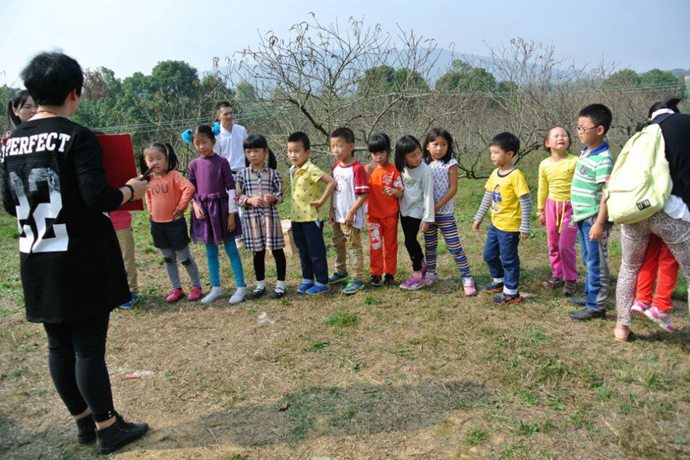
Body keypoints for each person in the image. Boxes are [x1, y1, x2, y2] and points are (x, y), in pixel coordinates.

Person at [0, 52, 148, 454]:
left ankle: (84, 423)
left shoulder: (10, 142)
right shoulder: (77, 137)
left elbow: (10, 204)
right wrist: (131, 190)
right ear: (73, 93)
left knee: (58, 346)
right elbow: (97, 196)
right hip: (79, 257)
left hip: (37, 255)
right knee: (87, 349)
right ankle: (108, 428)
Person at [615, 97, 690, 341]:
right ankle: (660, 305)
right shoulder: (684, 124)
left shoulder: (640, 133)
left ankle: (622, 328)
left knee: (629, 268)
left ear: (651, 116)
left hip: (637, 209)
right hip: (673, 211)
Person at [188, 124, 247, 304]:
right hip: (205, 214)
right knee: (210, 252)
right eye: (197, 143)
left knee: (231, 250)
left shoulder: (222, 162)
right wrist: (195, 205)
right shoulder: (194, 165)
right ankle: (215, 288)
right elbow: (191, 189)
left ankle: (241, 287)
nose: (201, 146)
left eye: (204, 142)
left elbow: (231, 188)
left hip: (222, 212)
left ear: (213, 141)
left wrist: (231, 214)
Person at [472, 132, 532, 304]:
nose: (492, 156)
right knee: (489, 255)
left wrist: (525, 226)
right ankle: (499, 280)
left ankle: (511, 292)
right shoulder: (495, 173)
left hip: (510, 227)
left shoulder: (516, 175)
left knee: (508, 259)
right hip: (495, 225)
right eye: (491, 152)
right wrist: (478, 218)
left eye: (496, 152)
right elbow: (487, 197)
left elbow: (526, 201)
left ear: (510, 154)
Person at [568, 104, 614, 321]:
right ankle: (589, 294)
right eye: (578, 127)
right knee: (588, 258)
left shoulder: (604, 159)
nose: (579, 132)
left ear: (600, 129)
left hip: (594, 218)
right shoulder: (585, 152)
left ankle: (596, 306)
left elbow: (607, 193)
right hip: (582, 216)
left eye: (583, 128)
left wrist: (599, 223)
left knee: (597, 262)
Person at [140, 143, 201, 302]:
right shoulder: (148, 180)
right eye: (150, 159)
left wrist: (180, 208)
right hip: (158, 225)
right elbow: (148, 196)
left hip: (175, 224)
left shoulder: (174, 175)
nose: (155, 162)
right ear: (145, 161)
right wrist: (151, 211)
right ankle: (176, 288)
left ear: (166, 159)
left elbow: (189, 188)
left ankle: (196, 287)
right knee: (168, 258)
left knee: (184, 258)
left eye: (159, 158)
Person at [422, 128, 476, 295]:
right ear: (427, 146)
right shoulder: (423, 164)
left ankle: (467, 277)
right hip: (428, 215)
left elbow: (453, 188)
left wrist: (438, 205)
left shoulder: (451, 163)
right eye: (435, 144)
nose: (439, 148)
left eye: (444, 144)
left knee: (454, 246)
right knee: (430, 245)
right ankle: (431, 273)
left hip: (445, 213)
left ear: (449, 146)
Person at [236, 134, 287, 298]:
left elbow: (281, 195)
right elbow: (237, 197)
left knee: (277, 251)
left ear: (265, 152)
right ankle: (260, 285)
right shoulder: (242, 175)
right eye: (248, 151)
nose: (252, 155)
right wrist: (248, 200)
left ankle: (281, 285)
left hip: (270, 218)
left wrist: (274, 198)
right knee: (258, 253)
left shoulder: (273, 174)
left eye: (256, 151)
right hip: (252, 220)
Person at [287, 131, 336, 295]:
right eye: (290, 151)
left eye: (297, 151)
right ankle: (307, 279)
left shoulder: (311, 169)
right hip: (296, 218)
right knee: (303, 251)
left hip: (310, 218)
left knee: (316, 252)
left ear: (307, 152)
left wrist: (321, 201)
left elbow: (331, 182)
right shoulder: (293, 169)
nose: (292, 155)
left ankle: (322, 282)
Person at [537, 126, 579, 296]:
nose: (561, 137)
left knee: (565, 246)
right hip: (551, 207)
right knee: (553, 244)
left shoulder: (575, 161)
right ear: (547, 143)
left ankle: (571, 279)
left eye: (564, 135)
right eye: (556, 135)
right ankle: (558, 275)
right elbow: (542, 187)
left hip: (572, 208)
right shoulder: (544, 164)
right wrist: (540, 210)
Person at [328, 127, 369, 295]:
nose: (335, 150)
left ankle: (357, 278)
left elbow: (364, 194)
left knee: (353, 246)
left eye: (339, 146)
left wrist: (351, 212)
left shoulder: (357, 168)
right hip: (337, 215)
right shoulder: (335, 167)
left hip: (350, 217)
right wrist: (331, 209)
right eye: (332, 146)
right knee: (337, 243)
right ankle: (340, 271)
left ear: (351, 146)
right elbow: (333, 190)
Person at [395, 135, 435, 290]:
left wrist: (427, 218)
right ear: (403, 157)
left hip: (417, 210)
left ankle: (417, 273)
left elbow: (428, 195)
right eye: (413, 155)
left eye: (419, 153)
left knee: (409, 240)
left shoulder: (425, 170)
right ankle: (422, 264)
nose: (418, 157)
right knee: (409, 239)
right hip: (404, 209)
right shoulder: (401, 169)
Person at [365, 133, 403, 286]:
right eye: (374, 153)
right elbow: (358, 188)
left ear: (388, 151)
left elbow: (401, 193)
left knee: (390, 245)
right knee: (375, 245)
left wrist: (394, 191)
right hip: (373, 215)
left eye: (382, 152)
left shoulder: (394, 169)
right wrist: (366, 174)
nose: (378, 156)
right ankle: (375, 274)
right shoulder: (367, 169)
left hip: (390, 215)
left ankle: (390, 273)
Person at [630, 234, 679, 332]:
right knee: (670, 256)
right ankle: (660, 306)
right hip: (673, 225)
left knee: (650, 254)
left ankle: (641, 300)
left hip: (649, 224)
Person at [110, 210, 139, 308]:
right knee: (109, 260)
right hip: (100, 224)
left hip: (121, 222)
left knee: (127, 258)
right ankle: (117, 294)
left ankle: (131, 291)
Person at [214, 101, 248, 175]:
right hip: (227, 175)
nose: (229, 116)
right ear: (218, 116)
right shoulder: (215, 135)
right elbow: (215, 158)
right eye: (225, 114)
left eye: (231, 113)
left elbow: (248, 150)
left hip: (244, 173)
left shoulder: (241, 130)